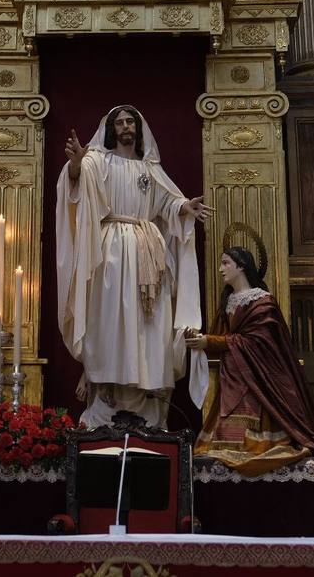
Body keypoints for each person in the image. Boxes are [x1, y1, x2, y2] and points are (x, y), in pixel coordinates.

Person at [55, 105, 211, 428]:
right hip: (111, 253)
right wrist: (75, 166)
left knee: (148, 322)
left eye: (131, 121)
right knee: (111, 321)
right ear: (112, 129)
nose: (126, 126)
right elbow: (77, 185)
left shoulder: (150, 169)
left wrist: (184, 206)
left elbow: (167, 201)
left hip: (148, 252)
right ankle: (108, 393)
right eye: (120, 122)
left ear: (138, 129)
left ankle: (147, 399)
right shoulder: (98, 160)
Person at [185, 247, 314, 475]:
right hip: (233, 376)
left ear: (241, 266)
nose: (221, 269)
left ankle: (261, 446)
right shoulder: (229, 302)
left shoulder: (262, 302)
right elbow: (221, 337)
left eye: (225, 263)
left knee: (257, 424)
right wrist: (199, 339)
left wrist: (211, 341)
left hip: (258, 376)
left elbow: (258, 342)